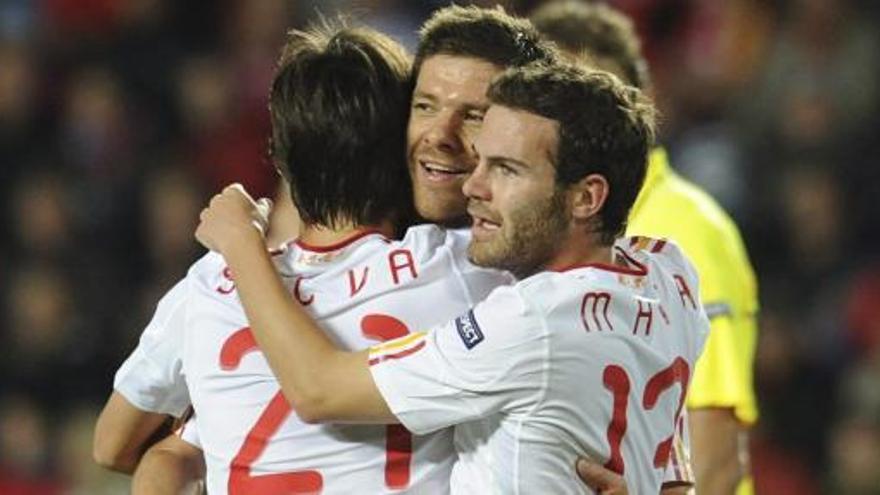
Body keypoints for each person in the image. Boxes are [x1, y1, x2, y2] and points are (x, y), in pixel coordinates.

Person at [196, 61, 708, 494]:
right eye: (480, 161)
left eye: (507, 169)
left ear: (586, 197)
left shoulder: (530, 321)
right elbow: (673, 459)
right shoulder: (669, 271)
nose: (475, 187)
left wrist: (242, 243)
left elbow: (318, 390)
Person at [530, 2, 760, 493]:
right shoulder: (558, 223)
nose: (584, 127)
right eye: (562, 105)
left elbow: (714, 456)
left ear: (645, 103)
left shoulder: (689, 231)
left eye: (601, 99)